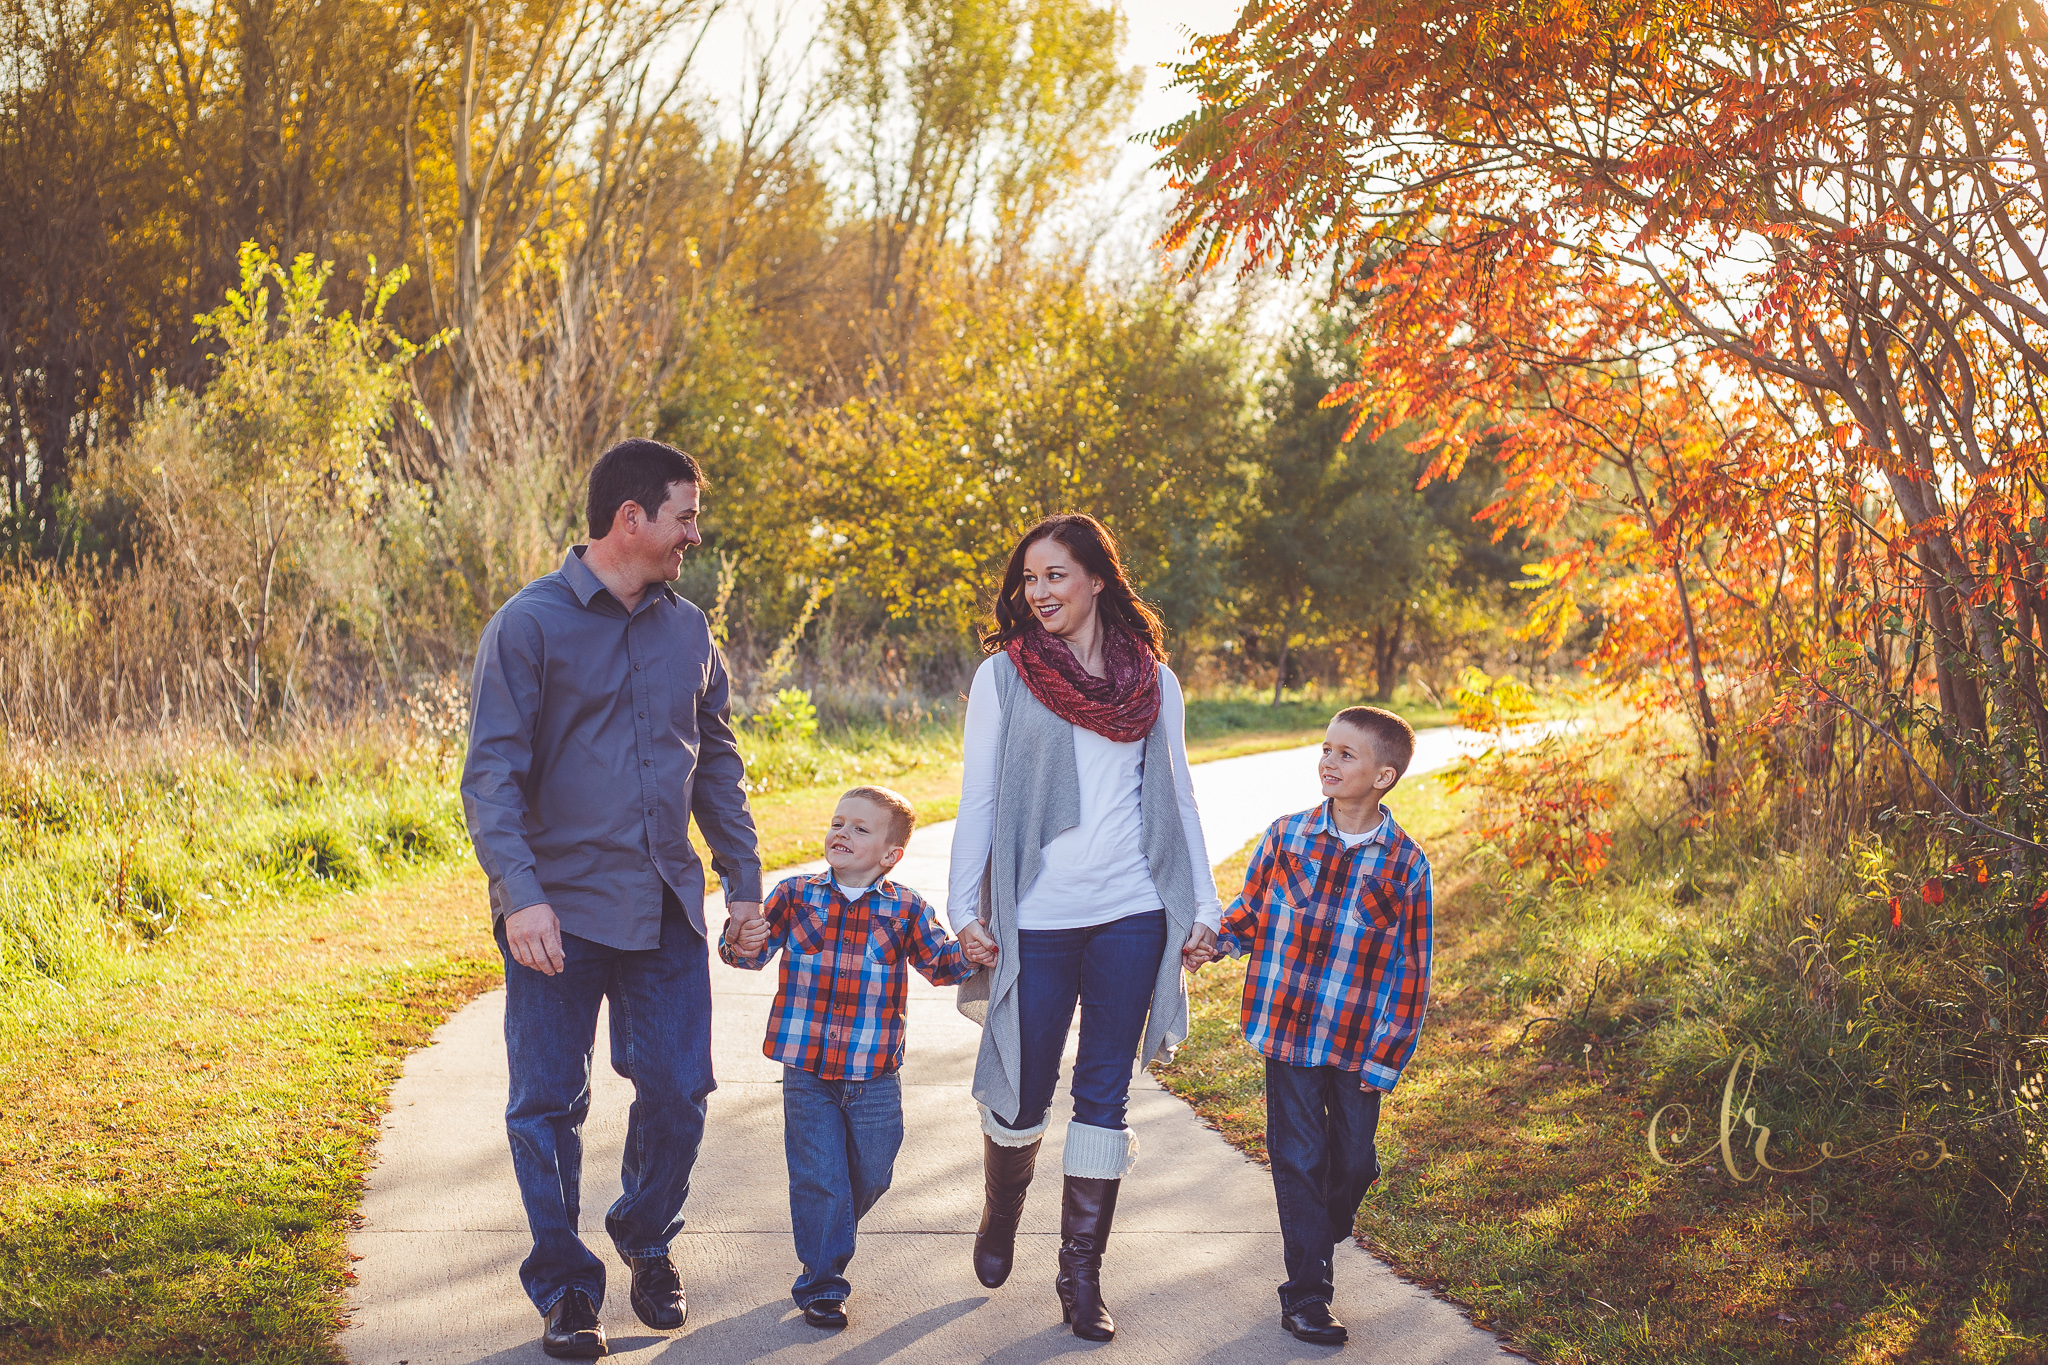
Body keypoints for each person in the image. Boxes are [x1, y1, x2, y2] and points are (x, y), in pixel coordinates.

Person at [461, 438, 762, 1360]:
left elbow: (715, 761)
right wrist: (520, 898)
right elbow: (491, 777)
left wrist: (744, 882)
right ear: (631, 519)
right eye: (686, 517)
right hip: (556, 911)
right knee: (547, 1104)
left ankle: (644, 1231)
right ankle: (565, 1288)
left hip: (664, 905)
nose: (694, 537)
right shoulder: (529, 624)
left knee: (680, 1091)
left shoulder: (689, 627)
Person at [948, 513, 1222, 1343]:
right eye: (1030, 580)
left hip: (1132, 910)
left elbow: (1176, 797)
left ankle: (1080, 1273)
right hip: (1038, 917)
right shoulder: (1004, 677)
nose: (1039, 594)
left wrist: (1199, 905)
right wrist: (967, 908)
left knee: (1103, 1092)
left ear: (1098, 579)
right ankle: (1003, 1207)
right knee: (1024, 1086)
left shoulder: (1154, 682)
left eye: (1056, 576)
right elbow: (980, 799)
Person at [1192, 705, 1434, 1347]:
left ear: (1384, 776)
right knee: (1298, 1159)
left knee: (1352, 1163)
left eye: (1346, 754)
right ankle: (1307, 1296)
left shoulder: (1406, 864)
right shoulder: (1286, 836)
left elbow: (1412, 971)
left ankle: (1317, 1228)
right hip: (1290, 1032)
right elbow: (1249, 913)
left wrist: (1387, 1056)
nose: (1328, 761)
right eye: (1326, 749)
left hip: (1358, 1043)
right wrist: (1210, 943)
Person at [720, 785, 980, 1330]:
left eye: (861, 828)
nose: (842, 833)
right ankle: (822, 1284)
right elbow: (748, 955)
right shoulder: (796, 895)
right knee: (821, 1177)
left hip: (875, 1072)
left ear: (891, 854)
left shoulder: (906, 908)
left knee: (873, 1171)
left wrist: (973, 952)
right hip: (806, 1068)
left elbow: (941, 963)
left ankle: (827, 1228)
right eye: (838, 822)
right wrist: (740, 939)